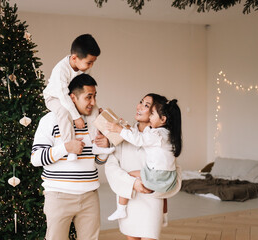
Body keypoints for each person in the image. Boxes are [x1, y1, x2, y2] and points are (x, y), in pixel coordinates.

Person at [31, 74, 110, 240]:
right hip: (59, 196)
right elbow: (36, 158)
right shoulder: (50, 120)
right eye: (88, 97)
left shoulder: (94, 121)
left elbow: (98, 161)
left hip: (90, 196)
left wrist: (104, 147)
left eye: (95, 96)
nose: (93, 103)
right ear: (72, 97)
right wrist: (66, 148)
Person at [105, 93, 182, 240]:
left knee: (150, 234)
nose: (139, 107)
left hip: (152, 199)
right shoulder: (129, 135)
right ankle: (125, 209)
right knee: (131, 236)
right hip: (131, 200)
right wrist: (133, 184)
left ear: (161, 117)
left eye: (147, 106)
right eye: (141, 102)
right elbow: (111, 164)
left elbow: (173, 171)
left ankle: (162, 216)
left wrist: (121, 130)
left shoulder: (154, 136)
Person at [43, 33, 115, 161]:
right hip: (55, 97)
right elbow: (63, 97)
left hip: (72, 97)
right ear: (74, 58)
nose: (91, 66)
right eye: (89, 62)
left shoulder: (84, 68)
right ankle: (70, 146)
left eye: (93, 62)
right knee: (63, 112)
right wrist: (76, 117)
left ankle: (95, 143)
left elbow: (87, 85)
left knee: (94, 109)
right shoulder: (61, 70)